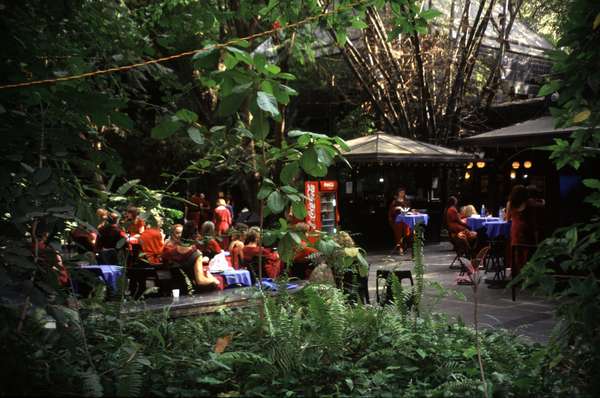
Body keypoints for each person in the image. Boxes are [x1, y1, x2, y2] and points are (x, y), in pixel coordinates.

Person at [162, 221, 221, 293]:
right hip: (190, 291)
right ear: (194, 236)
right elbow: (200, 281)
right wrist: (214, 280)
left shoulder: (169, 251)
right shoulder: (195, 254)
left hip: (172, 289)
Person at [508, 185, 545, 279]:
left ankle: (516, 274)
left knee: (516, 251)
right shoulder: (528, 202)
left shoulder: (510, 203)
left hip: (515, 228)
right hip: (526, 228)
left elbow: (507, 218)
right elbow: (543, 204)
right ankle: (527, 275)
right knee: (527, 251)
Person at [388, 187, 411, 255]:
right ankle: (400, 248)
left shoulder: (406, 201)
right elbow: (391, 211)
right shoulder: (394, 201)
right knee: (398, 234)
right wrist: (396, 208)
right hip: (397, 220)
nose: (402, 194)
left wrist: (407, 210)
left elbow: (409, 209)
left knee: (406, 234)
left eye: (403, 193)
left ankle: (404, 247)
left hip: (405, 220)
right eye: (400, 193)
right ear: (398, 193)